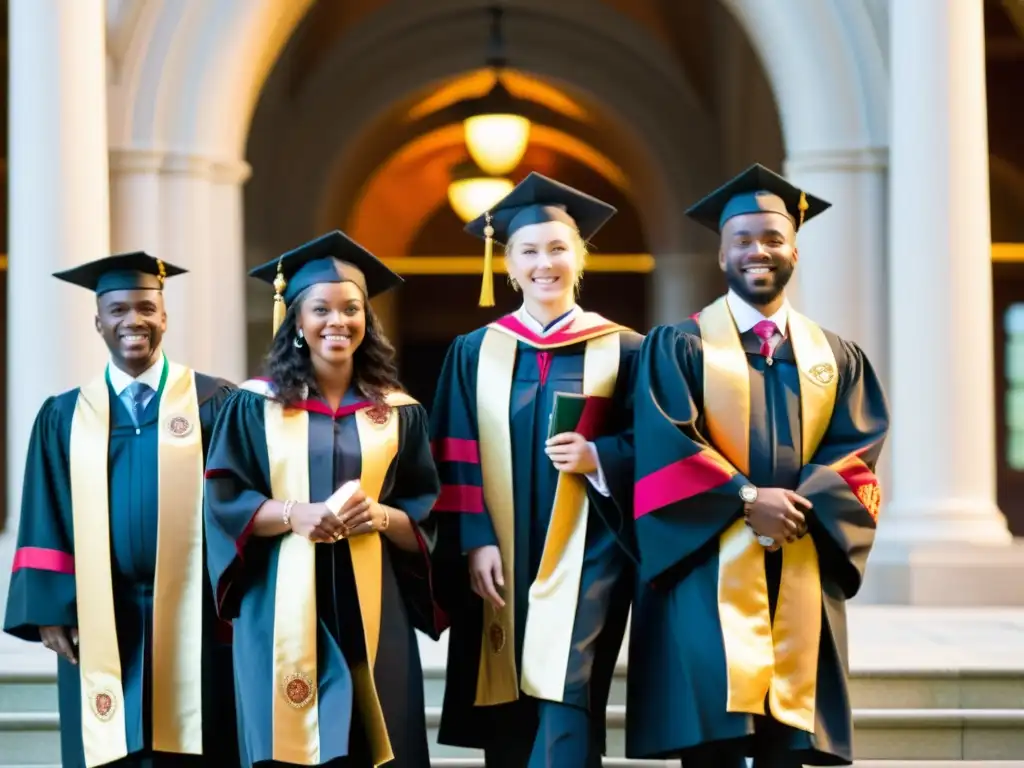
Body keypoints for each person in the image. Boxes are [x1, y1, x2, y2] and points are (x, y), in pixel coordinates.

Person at [624, 164, 890, 768]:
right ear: (721, 254)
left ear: (795, 248)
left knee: (790, 747)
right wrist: (748, 499)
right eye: (742, 240)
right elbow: (666, 444)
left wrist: (796, 508)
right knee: (713, 741)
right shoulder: (679, 346)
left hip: (803, 559)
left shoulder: (837, 357)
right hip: (704, 567)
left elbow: (859, 452)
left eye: (772, 238)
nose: (758, 251)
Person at [203, 230, 445, 768]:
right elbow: (222, 500)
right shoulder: (254, 406)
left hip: (372, 603)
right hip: (279, 607)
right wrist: (295, 515)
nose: (338, 321)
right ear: (296, 321)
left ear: (367, 320)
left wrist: (381, 516)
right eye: (321, 309)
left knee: (376, 743)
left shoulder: (399, 412)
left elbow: (426, 516)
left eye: (351, 309)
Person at [431, 172, 641, 767]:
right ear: (508, 264)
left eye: (557, 249)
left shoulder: (626, 349)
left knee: (567, 691)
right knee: (507, 701)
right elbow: (454, 452)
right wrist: (474, 542)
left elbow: (658, 448)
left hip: (590, 555)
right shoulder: (475, 352)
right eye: (528, 251)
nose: (543, 263)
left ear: (580, 258)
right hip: (498, 556)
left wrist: (602, 457)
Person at [3, 252, 239, 768]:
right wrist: (50, 608)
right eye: (117, 310)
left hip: (195, 613)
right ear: (98, 322)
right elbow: (46, 511)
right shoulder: (65, 414)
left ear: (164, 317)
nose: (132, 320)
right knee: (107, 752)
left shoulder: (214, 401)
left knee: (198, 746)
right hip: (99, 614)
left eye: (145, 308)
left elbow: (237, 502)